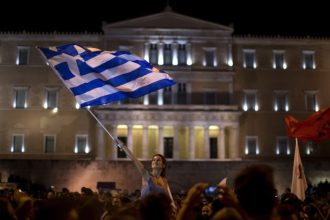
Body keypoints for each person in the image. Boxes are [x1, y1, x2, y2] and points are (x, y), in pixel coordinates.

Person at [116, 138, 177, 210]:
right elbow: (134, 160)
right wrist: (123, 147)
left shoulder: (164, 181)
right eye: (153, 160)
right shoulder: (146, 176)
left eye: (158, 160)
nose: (155, 161)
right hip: (145, 211)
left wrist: (174, 208)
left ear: (163, 165)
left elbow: (170, 200)